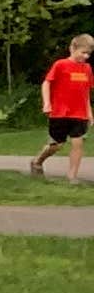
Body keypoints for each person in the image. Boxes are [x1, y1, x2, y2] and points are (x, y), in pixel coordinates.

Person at [49, 34, 94, 186]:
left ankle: (72, 176)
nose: (86, 56)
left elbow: (86, 92)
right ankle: (38, 160)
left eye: (88, 54)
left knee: (78, 143)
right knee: (57, 145)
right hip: (60, 112)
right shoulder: (60, 65)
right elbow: (47, 83)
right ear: (72, 48)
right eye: (83, 52)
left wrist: (89, 113)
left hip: (79, 113)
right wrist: (47, 103)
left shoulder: (87, 68)